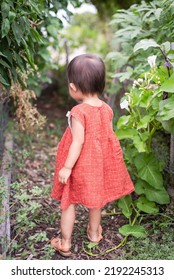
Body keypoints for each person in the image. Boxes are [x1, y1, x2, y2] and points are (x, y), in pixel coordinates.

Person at [51, 54, 134, 257]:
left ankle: (65, 242)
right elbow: (106, 138)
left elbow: (78, 141)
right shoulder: (106, 109)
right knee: (95, 202)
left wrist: (68, 167)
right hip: (97, 166)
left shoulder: (79, 112)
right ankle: (94, 234)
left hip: (79, 165)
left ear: (73, 87)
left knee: (69, 201)